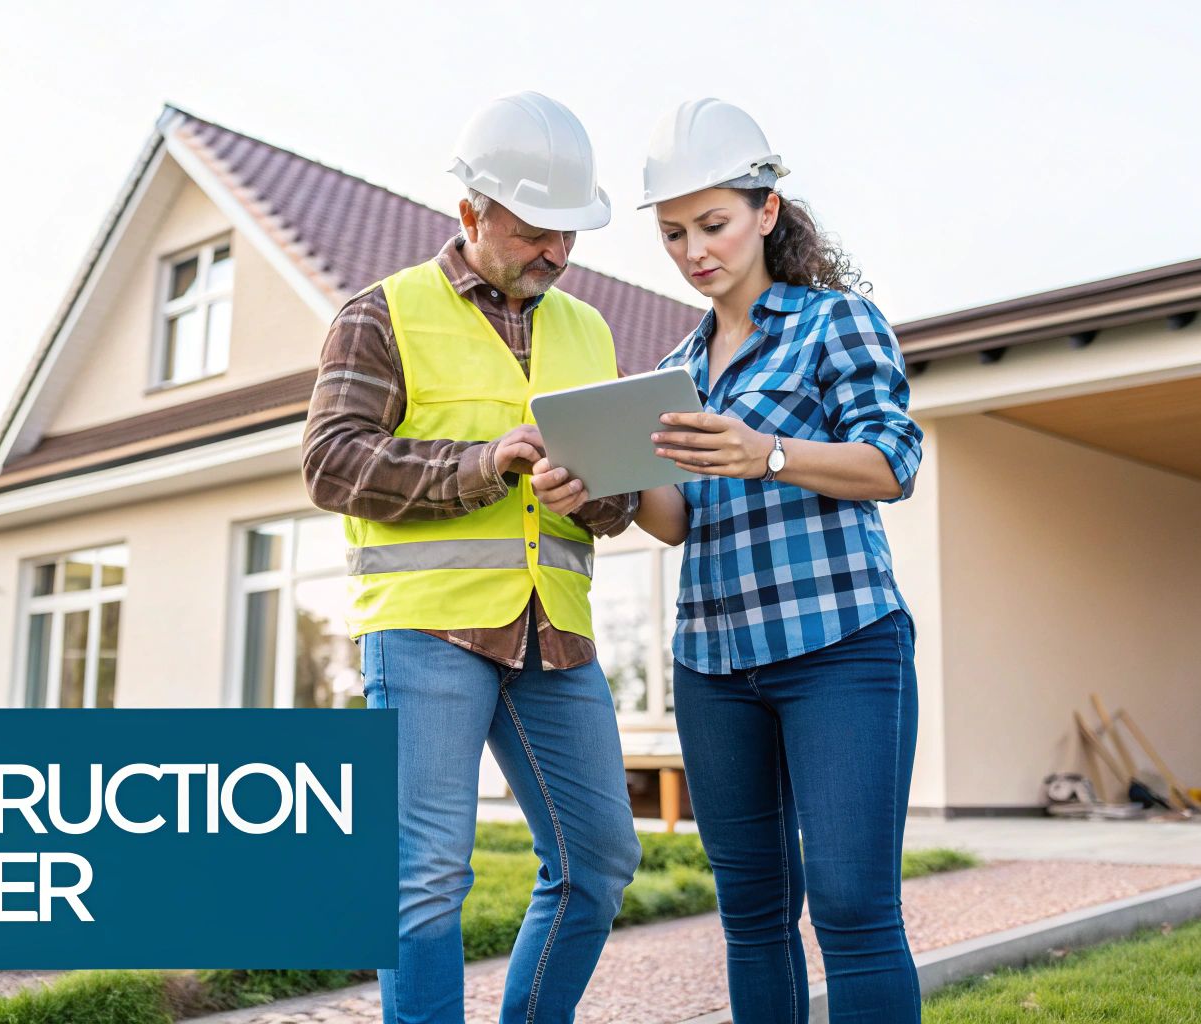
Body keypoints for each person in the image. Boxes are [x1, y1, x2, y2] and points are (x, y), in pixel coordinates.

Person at [532, 98, 925, 1024]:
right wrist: (591, 488)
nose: (694, 250)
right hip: (714, 662)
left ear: (768, 212)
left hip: (840, 645)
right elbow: (672, 517)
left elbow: (893, 463)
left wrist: (771, 452)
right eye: (673, 234)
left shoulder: (837, 324)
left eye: (713, 224)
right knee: (751, 915)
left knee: (852, 906)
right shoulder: (677, 366)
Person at [301, 91, 643, 1024]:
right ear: (471, 213)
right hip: (427, 632)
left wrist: (595, 495)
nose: (560, 254)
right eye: (539, 231)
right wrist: (480, 465)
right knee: (422, 877)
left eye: (571, 235)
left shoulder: (590, 330)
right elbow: (330, 464)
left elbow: (615, 496)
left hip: (556, 638)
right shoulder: (381, 315)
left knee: (601, 860)